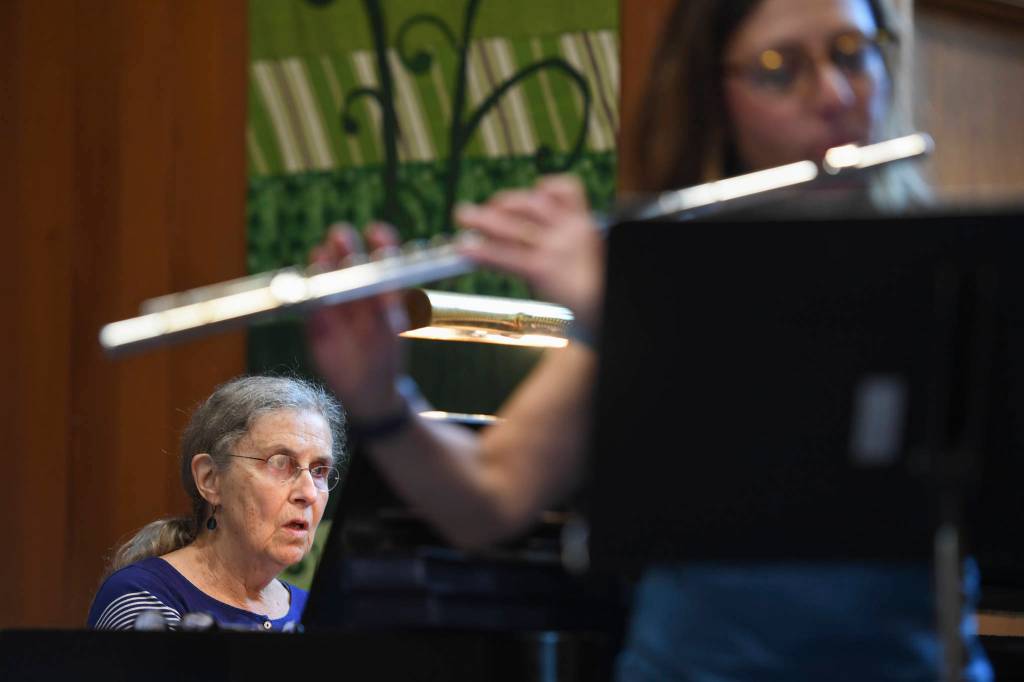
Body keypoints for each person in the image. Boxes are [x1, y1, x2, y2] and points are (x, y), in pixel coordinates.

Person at [307, 0, 992, 679]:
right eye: (781, 69)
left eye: (852, 53)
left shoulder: (952, 276)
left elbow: (821, 420)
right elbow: (488, 500)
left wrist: (625, 318)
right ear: (712, 95)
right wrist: (380, 401)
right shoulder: (673, 275)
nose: (837, 95)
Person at [87, 375, 344, 631]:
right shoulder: (142, 599)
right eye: (280, 463)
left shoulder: (318, 614)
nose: (309, 493)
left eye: (319, 470)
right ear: (210, 479)